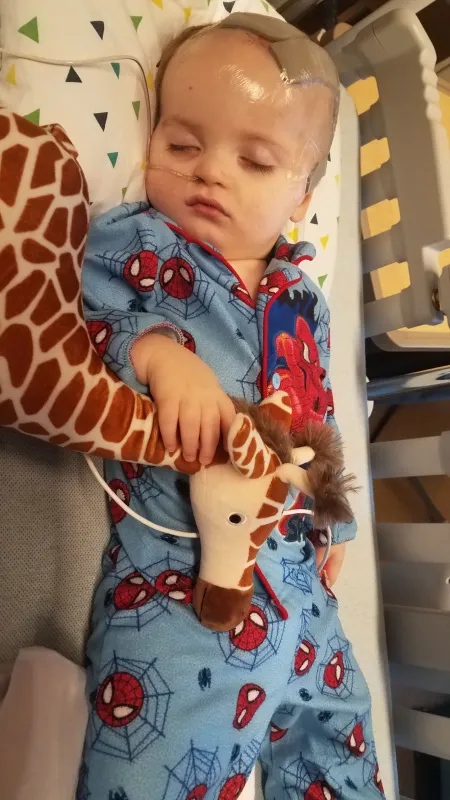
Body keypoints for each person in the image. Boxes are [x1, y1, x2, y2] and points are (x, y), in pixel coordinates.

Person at [78, 14, 383, 800]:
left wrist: (335, 516)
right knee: (153, 756)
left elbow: (322, 416)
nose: (211, 172)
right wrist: (159, 356)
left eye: (254, 159)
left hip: (301, 588)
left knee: (343, 745)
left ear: (303, 190)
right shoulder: (137, 242)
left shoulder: (304, 300)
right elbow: (79, 316)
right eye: (182, 146)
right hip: (176, 580)